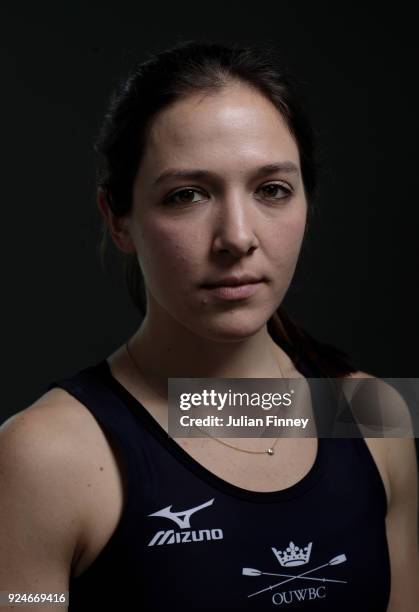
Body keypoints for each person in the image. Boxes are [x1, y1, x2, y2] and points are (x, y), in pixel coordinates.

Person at [0, 41, 418, 611]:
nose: (238, 238)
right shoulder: (45, 456)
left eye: (272, 189)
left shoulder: (371, 413)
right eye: (187, 195)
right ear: (118, 219)